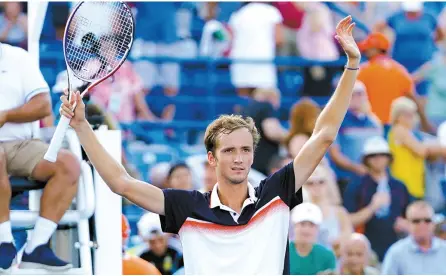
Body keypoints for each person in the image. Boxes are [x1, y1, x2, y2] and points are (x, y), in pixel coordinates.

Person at [59, 15, 361, 274]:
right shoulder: (188, 205)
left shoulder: (276, 192)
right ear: (211, 159)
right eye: (229, 150)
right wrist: (82, 126)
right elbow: (121, 183)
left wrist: (351, 66)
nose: (239, 157)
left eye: (245, 150)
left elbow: (323, 134)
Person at [0, 43, 80, 272]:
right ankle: (3, 243)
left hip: (22, 145)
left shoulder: (18, 57)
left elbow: (43, 106)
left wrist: (5, 115)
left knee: (69, 165)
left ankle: (37, 247)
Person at [344, 136, 411, 261]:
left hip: (397, 246)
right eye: (373, 155)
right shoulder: (357, 185)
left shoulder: (399, 186)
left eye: (382, 155)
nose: (378, 159)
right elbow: (348, 220)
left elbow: (412, 218)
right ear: (366, 159)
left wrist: (405, 225)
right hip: (366, 249)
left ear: (388, 158)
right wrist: (373, 207)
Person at [381, 201, 446, 274]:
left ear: (433, 223)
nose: (422, 224)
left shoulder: (444, 250)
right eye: (416, 221)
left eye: (427, 220)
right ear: (408, 223)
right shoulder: (396, 253)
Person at [241, 87, 287, 175]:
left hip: (247, 162)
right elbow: (272, 132)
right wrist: (290, 137)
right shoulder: (266, 106)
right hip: (265, 163)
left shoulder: (244, 110)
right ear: (272, 98)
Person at [289, 202, 337, 275]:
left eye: (311, 225)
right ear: (294, 226)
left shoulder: (327, 255)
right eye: (302, 224)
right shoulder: (283, 253)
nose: (306, 229)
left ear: (318, 228)